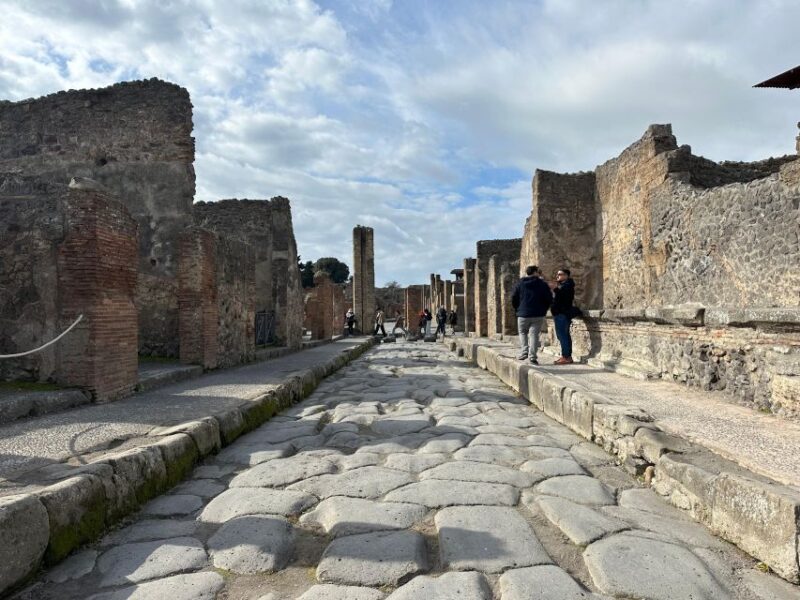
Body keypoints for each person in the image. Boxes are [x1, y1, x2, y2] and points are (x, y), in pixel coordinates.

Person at [511, 265, 552, 365]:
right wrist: (544, 309)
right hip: (538, 314)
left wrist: (518, 309)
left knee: (523, 332)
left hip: (523, 313)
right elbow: (549, 298)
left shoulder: (520, 283)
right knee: (534, 335)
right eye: (538, 271)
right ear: (535, 272)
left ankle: (524, 351)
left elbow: (513, 297)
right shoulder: (542, 284)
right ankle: (532, 356)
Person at [551, 268, 576, 364]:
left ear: (566, 276)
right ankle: (567, 356)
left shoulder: (568, 286)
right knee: (563, 335)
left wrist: (555, 289)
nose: (557, 276)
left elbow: (564, 298)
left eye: (560, 274)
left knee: (562, 336)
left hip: (562, 314)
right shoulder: (563, 285)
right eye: (557, 274)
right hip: (559, 313)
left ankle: (566, 356)